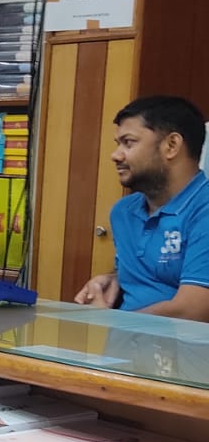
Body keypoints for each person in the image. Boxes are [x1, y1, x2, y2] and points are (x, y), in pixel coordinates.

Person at [76, 96, 209, 319]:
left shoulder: (203, 209)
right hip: (125, 339)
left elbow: (194, 310)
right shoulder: (123, 212)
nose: (115, 155)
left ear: (171, 146)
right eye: (118, 144)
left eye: (128, 142)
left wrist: (110, 323)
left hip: (178, 342)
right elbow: (145, 274)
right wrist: (113, 278)